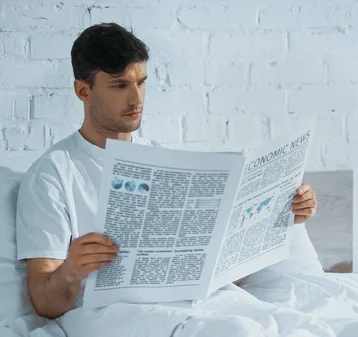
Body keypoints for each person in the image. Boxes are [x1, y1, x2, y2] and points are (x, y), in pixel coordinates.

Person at [16, 22, 319, 319]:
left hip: (198, 307)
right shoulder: (52, 175)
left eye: (142, 82)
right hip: (119, 317)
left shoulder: (164, 162)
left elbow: (217, 275)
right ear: (83, 91)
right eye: (120, 85)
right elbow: (44, 302)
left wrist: (281, 216)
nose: (136, 99)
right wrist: (71, 269)